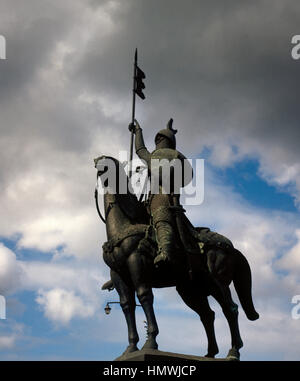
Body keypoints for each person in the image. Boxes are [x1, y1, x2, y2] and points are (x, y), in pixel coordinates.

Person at [129, 118, 192, 266]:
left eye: (161, 138)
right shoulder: (153, 157)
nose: (158, 140)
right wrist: (138, 131)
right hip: (149, 199)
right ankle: (123, 265)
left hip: (165, 197)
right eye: (158, 138)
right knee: (132, 225)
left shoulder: (175, 156)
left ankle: (166, 252)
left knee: (161, 218)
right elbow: (140, 150)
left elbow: (186, 174)